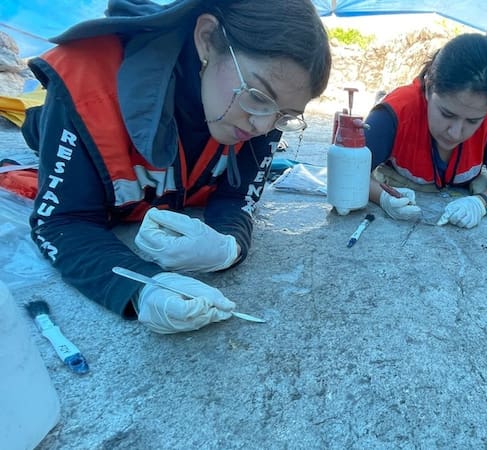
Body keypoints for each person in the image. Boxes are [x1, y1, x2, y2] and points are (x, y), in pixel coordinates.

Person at [21, 0, 331, 333]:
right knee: (39, 128)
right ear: (207, 38)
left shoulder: (265, 116)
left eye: (284, 114)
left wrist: (229, 246)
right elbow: (62, 221)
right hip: (57, 122)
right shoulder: (84, 82)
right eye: (257, 95)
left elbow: (238, 197)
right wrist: (143, 287)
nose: (263, 125)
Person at [364, 33, 487, 229]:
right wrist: (383, 197)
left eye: (472, 121)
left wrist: (481, 203)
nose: (455, 133)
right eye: (447, 114)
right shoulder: (394, 113)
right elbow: (350, 172)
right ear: (429, 88)